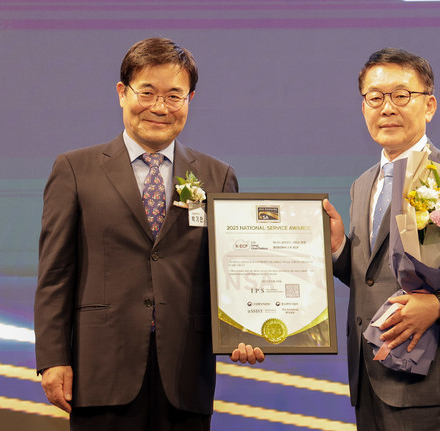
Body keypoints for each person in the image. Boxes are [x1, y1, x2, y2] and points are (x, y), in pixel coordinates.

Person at [34, 37, 264, 431]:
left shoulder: (217, 175)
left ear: (190, 99)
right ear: (122, 93)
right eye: (147, 92)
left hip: (185, 373)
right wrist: (53, 358)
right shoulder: (75, 169)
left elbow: (231, 269)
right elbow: (56, 273)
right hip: (100, 369)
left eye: (174, 95)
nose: (160, 107)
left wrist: (247, 326)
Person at [322, 48, 440, 430]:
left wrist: (438, 304)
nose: (387, 108)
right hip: (369, 375)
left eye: (401, 95)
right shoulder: (362, 184)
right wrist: (340, 249)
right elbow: (372, 276)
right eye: (375, 97)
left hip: (429, 382)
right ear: (364, 107)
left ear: (429, 105)